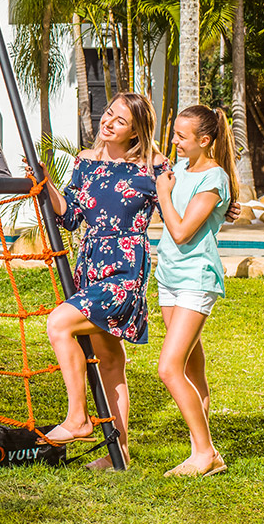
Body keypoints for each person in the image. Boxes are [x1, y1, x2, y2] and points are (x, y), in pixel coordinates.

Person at [40, 93, 168, 467]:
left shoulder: (153, 167)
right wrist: (46, 181)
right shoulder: (85, 162)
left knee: (59, 323)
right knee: (110, 359)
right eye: (109, 113)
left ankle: (78, 419)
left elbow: (180, 204)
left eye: (120, 120)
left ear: (136, 132)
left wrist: (224, 204)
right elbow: (69, 215)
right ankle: (119, 454)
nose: (108, 122)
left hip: (126, 268)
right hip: (91, 264)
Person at [153, 105, 235, 477]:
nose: (174, 142)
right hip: (169, 276)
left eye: (182, 137)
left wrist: (164, 195)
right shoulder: (181, 169)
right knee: (189, 367)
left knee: (169, 369)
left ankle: (206, 453)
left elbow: (182, 231)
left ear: (205, 140)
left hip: (195, 279)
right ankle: (199, 450)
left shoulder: (213, 178)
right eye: (174, 134)